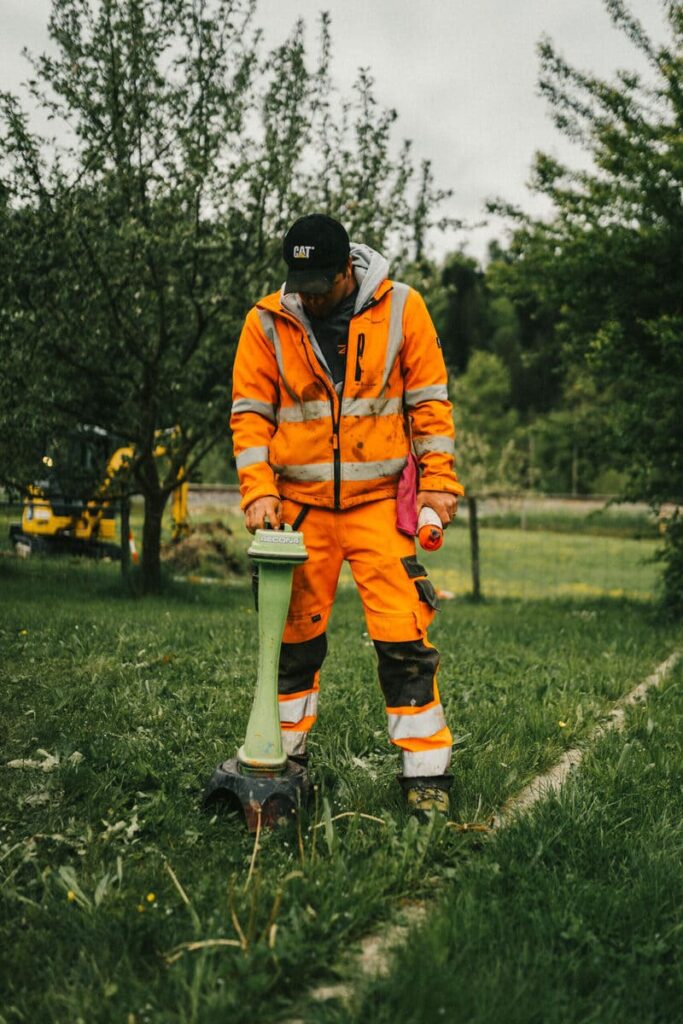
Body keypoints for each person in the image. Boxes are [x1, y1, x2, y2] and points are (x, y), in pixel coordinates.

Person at [230, 214, 464, 815]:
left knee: (403, 640)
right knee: (290, 643)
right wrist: (258, 490)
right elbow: (251, 415)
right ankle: (281, 760)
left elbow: (430, 407)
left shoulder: (404, 309)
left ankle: (425, 776)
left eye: (320, 283)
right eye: (298, 282)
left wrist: (438, 486)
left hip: (380, 507)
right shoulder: (265, 323)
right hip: (297, 515)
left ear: (347, 271)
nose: (307, 295)